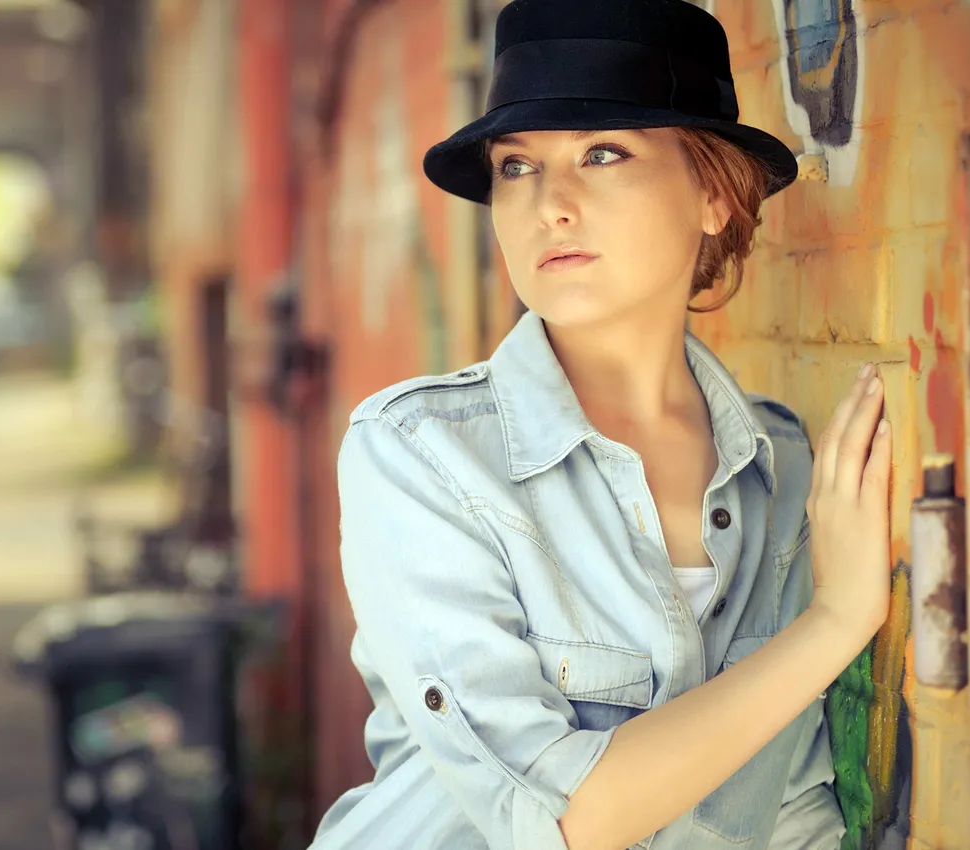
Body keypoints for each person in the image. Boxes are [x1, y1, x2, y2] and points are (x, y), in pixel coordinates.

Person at [308, 1, 891, 849]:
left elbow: (792, 809)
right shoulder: (420, 455)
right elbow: (556, 819)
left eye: (603, 154)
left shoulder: (788, 469)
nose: (551, 204)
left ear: (714, 196)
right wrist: (836, 621)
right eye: (516, 167)